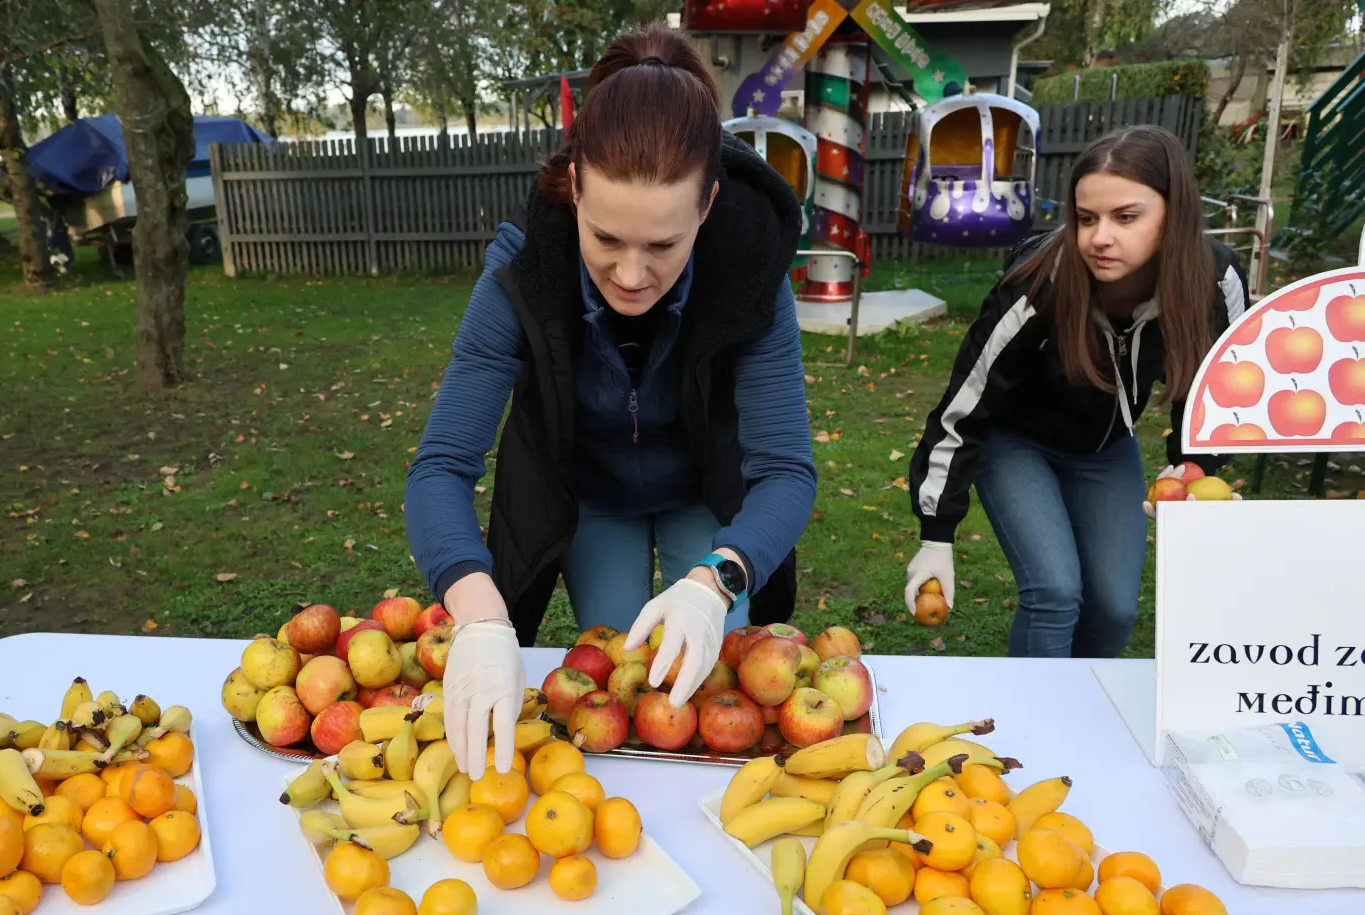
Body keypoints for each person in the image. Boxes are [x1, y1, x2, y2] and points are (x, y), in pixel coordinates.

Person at [405, 23, 816, 779]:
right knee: (630, 688)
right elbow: (439, 467)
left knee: (706, 684)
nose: (631, 275)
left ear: (708, 205)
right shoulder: (521, 272)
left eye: (663, 246)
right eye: (606, 238)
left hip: (706, 489)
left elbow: (788, 470)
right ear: (574, 187)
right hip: (589, 492)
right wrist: (481, 613)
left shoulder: (753, 272)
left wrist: (718, 576)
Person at [904, 125, 1249, 658]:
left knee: (1115, 608)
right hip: (1014, 443)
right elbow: (965, 403)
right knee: (1055, 593)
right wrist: (936, 533)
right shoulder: (1040, 280)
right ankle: (1032, 732)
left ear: (1174, 213)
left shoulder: (1215, 280)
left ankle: (1088, 719)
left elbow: (1221, 388)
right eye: (1086, 218)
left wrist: (1194, 466)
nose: (1099, 237)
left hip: (1106, 448)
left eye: (1125, 216)